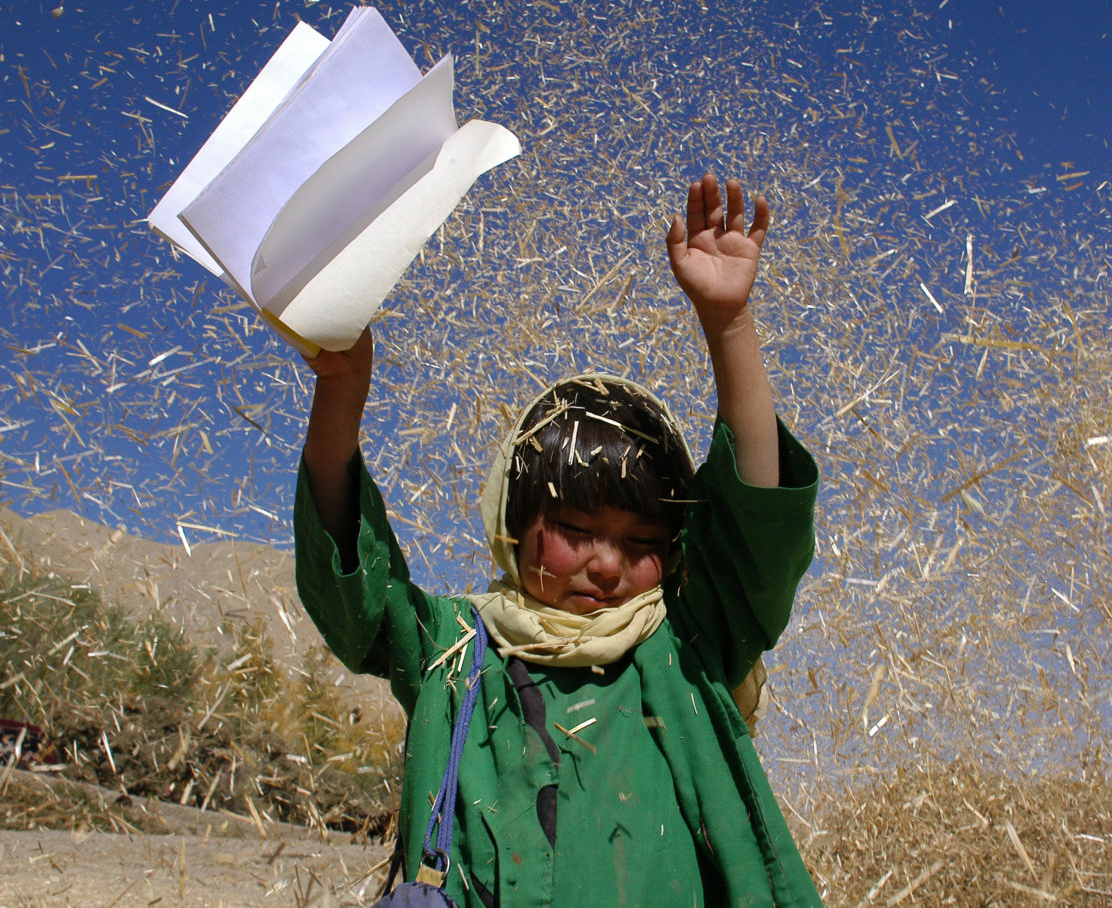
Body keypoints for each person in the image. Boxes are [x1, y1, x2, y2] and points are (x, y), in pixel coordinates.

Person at [295, 174, 822, 906]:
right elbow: (349, 575)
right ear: (513, 524)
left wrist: (728, 322)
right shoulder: (453, 649)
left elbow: (756, 524)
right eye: (575, 531)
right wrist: (341, 390)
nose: (606, 564)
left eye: (642, 543)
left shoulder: (685, 647)